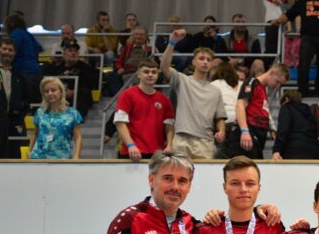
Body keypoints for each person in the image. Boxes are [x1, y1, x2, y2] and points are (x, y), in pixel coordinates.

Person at [160, 29, 227, 160]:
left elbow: (220, 118)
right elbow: (164, 67)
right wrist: (172, 43)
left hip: (205, 142)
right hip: (182, 139)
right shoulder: (182, 80)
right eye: (201, 58)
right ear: (193, 62)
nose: (205, 62)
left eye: (208, 60)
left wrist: (222, 130)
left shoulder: (216, 91)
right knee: (179, 173)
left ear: (211, 64)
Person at [114, 61, 175, 162]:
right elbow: (120, 123)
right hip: (132, 152)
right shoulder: (127, 95)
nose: (150, 75)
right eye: (146, 72)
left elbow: (169, 126)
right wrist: (130, 145)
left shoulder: (164, 100)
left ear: (157, 75)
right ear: (139, 75)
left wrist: (169, 145)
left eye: (154, 72)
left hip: (158, 154)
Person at [235, 62, 288, 159]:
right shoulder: (252, 82)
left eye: (280, 84)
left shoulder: (262, 89)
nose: (277, 86)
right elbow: (240, 105)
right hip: (250, 132)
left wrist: (271, 128)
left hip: (259, 134)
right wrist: (244, 131)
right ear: (272, 73)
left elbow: (263, 110)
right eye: (277, 82)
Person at [28, 76, 83, 159]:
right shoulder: (39, 112)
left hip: (62, 158)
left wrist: (77, 156)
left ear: (61, 91)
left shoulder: (73, 113)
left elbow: (78, 137)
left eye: (53, 90)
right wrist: (29, 151)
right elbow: (35, 133)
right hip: (38, 157)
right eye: (46, 91)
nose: (50, 93)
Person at [0, 38, 30, 158]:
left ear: (15, 53)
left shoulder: (20, 74)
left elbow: (27, 98)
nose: (7, 52)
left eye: (10, 50)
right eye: (4, 49)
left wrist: (19, 111)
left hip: (14, 121)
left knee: (15, 155)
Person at [44, 41, 97, 119]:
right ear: (64, 54)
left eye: (75, 51)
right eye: (70, 51)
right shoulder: (56, 67)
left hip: (77, 94)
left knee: (84, 92)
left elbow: (89, 84)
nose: (73, 53)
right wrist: (63, 90)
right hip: (60, 94)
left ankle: (77, 118)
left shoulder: (85, 67)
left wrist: (73, 91)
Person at [272, 90, 319, 160]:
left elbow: (283, 130)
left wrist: (276, 150)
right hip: (313, 152)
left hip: (293, 151)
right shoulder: (309, 111)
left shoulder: (286, 107)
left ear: (286, 99)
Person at [3, 13, 43, 95]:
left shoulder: (15, 34)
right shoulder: (28, 34)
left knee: (21, 99)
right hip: (36, 71)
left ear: (11, 24)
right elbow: (39, 48)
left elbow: (11, 49)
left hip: (23, 71)